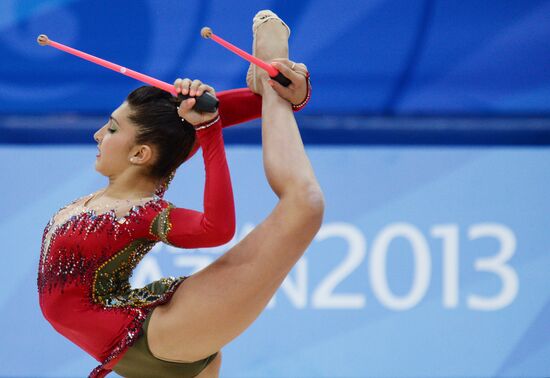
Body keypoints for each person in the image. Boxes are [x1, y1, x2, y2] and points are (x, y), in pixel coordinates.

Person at [37, 10, 318, 378]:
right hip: (142, 335)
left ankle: (272, 65)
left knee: (305, 205)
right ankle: (270, 79)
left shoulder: (142, 212)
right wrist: (219, 110)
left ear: (139, 154)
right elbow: (179, 128)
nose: (98, 136)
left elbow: (217, 229)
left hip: (160, 336)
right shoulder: (130, 184)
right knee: (297, 183)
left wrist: (213, 127)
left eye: (110, 128)